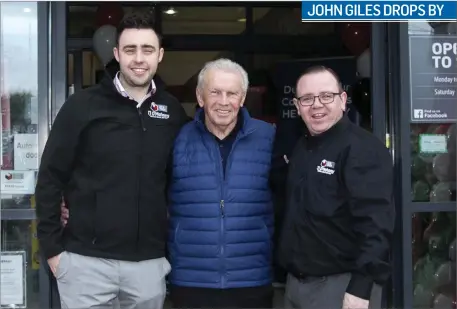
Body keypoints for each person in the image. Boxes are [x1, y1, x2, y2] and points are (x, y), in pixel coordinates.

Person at [35, 14, 188, 309]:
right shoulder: (82, 106)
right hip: (85, 265)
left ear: (160, 55)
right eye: (130, 50)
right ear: (117, 54)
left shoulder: (170, 111)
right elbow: (50, 178)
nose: (139, 58)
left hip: (147, 266)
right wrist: (53, 250)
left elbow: (178, 179)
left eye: (147, 49)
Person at [277, 65, 394, 309]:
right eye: (307, 98)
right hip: (296, 286)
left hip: (342, 288)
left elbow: (376, 225)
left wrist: (361, 289)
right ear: (297, 107)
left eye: (326, 96)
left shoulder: (362, 150)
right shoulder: (302, 147)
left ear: (342, 100)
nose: (317, 105)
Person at [167, 58, 275, 308]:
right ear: (200, 96)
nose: (224, 101)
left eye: (232, 93)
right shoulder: (176, 138)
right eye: (215, 92)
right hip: (191, 281)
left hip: (251, 280)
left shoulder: (268, 138)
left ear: (243, 97)